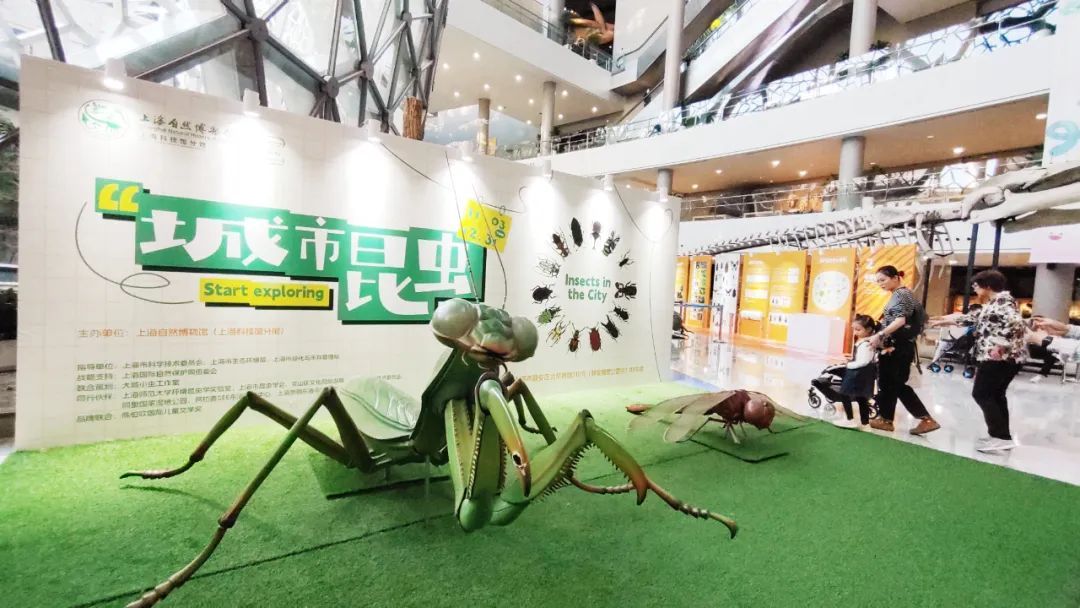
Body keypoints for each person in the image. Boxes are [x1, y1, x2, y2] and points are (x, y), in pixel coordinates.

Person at [930, 269, 1026, 453]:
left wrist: (1001, 345)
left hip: (998, 357)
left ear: (987, 286)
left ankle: (999, 436)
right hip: (1003, 357)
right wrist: (944, 321)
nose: (974, 289)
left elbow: (1016, 324)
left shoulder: (1002, 303)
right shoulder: (996, 304)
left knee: (982, 394)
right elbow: (973, 319)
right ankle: (1002, 436)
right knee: (996, 395)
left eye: (976, 285)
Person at [867, 265, 941, 435]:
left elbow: (900, 321)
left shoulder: (902, 294)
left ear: (895, 278)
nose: (880, 284)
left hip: (897, 346)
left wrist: (880, 335)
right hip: (900, 346)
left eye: (883, 280)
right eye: (878, 281)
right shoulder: (903, 294)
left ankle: (919, 419)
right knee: (893, 384)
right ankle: (890, 419)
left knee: (891, 383)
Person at [833, 315, 880, 428]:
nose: (855, 332)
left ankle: (850, 419)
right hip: (862, 373)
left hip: (857, 374)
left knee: (845, 394)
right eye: (854, 329)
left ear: (868, 329)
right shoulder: (866, 341)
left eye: (858, 329)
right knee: (861, 398)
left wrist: (848, 365)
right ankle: (865, 423)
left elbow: (863, 362)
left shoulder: (866, 344)